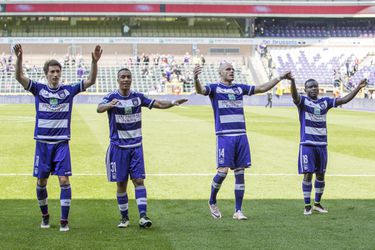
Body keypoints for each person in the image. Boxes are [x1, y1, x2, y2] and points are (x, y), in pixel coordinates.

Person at [13, 43, 103, 231]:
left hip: (61, 144)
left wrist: (94, 62)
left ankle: (64, 221)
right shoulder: (38, 89)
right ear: (46, 73)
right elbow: (20, 77)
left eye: (58, 72)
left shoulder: (68, 91)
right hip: (42, 144)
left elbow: (91, 81)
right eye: (52, 71)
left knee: (64, 181)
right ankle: (45, 216)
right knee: (41, 182)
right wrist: (19, 58)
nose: (55, 74)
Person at [193, 62, 291, 220]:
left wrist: (280, 77)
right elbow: (200, 90)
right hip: (225, 135)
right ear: (220, 72)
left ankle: (238, 211)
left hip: (241, 135)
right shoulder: (215, 88)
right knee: (222, 172)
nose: (231, 71)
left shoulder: (239, 88)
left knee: (240, 173)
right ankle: (212, 200)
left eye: (233, 69)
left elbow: (261, 88)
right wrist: (196, 78)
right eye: (228, 69)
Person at [97, 68, 187, 228]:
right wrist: (109, 105)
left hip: (136, 147)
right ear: (118, 79)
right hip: (118, 147)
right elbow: (99, 108)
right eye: (123, 77)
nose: (126, 79)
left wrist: (173, 102)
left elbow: (157, 103)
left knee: (139, 180)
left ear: (131, 79)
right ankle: (124, 218)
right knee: (121, 184)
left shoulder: (138, 97)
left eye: (128, 77)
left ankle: (143, 216)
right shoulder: (111, 96)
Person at [289, 76, 368, 215]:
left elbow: (343, 100)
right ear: (306, 90)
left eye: (315, 86)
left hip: (322, 145)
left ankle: (317, 204)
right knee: (308, 174)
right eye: (310, 87)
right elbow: (295, 96)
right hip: (307, 145)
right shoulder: (303, 102)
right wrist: (293, 82)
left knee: (321, 175)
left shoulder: (325, 102)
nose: (314, 88)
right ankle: (307, 205)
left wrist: (358, 88)